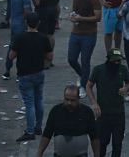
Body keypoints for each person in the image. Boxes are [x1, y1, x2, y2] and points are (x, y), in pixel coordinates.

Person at [10, 12, 53, 142]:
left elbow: (11, 56)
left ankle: (30, 131)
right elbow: (49, 57)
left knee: (29, 103)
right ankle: (38, 127)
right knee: (38, 100)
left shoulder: (20, 38)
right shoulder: (43, 38)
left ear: (26, 23)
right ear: (38, 23)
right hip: (39, 72)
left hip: (24, 74)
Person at [87, 49, 129, 156]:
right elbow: (88, 86)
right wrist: (94, 103)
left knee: (117, 143)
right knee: (102, 143)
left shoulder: (123, 69)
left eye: (118, 61)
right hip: (103, 114)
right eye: (114, 61)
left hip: (119, 113)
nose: (116, 63)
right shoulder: (98, 70)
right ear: (108, 60)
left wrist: (126, 88)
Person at [37, 85, 101, 157]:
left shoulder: (87, 112)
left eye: (72, 100)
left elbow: (94, 137)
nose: (69, 103)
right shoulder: (55, 111)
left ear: (78, 99)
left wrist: (97, 155)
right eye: (67, 99)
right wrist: (39, 153)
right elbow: (46, 135)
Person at [68, 0, 101, 93]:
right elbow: (74, 10)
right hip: (76, 32)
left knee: (85, 60)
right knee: (71, 59)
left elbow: (98, 17)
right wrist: (72, 16)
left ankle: (83, 86)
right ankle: (83, 76)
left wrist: (81, 18)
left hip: (89, 34)